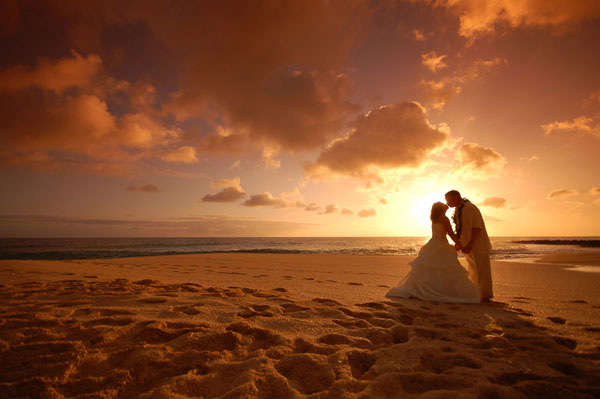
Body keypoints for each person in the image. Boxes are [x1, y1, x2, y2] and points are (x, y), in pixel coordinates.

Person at [386, 202, 480, 303]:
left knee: (432, 269)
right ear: (440, 208)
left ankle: (429, 289)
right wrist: (461, 245)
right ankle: (442, 291)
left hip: (433, 244)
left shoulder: (434, 219)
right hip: (441, 245)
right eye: (443, 204)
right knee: (444, 269)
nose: (446, 205)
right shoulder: (444, 218)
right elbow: (451, 234)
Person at [445, 190, 493, 302]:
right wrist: (460, 243)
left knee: (482, 271)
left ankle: (485, 295)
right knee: (473, 270)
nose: (447, 203)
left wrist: (470, 245)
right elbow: (461, 229)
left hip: (478, 244)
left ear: (456, 198)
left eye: (448, 200)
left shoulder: (469, 208)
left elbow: (476, 228)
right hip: (467, 245)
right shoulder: (458, 210)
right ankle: (476, 293)